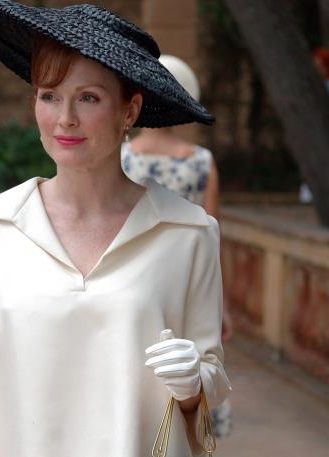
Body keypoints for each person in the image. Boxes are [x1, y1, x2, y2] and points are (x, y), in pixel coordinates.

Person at [0, 2, 231, 456]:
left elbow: (208, 395)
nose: (64, 117)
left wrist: (194, 385)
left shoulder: (187, 233)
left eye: (88, 98)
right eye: (49, 95)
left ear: (130, 110)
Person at [122, 54, 233, 438]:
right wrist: (221, 307)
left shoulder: (121, 157)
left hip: (134, 284)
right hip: (187, 283)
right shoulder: (201, 161)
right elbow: (212, 237)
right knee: (192, 366)